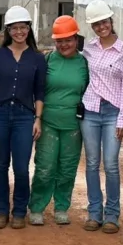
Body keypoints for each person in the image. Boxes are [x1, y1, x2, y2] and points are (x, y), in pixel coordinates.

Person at [0, 5, 46, 230]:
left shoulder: (38, 58)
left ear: (29, 28)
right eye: (14, 28)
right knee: (0, 165)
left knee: (21, 167)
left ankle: (19, 211)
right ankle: (1, 211)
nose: (19, 32)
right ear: (8, 30)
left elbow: (40, 91)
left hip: (24, 117)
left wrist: (38, 118)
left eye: (23, 27)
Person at [28, 15, 89, 226]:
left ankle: (62, 206)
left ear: (76, 39)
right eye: (60, 41)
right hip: (48, 122)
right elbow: (37, 91)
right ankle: (36, 207)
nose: (64, 44)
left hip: (73, 123)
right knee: (45, 167)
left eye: (68, 40)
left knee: (67, 168)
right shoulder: (47, 60)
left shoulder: (84, 63)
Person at [80, 0, 123, 233]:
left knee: (110, 164)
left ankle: (112, 214)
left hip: (112, 112)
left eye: (104, 22)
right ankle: (94, 212)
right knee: (91, 163)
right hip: (90, 111)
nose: (101, 27)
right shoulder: (89, 48)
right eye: (96, 24)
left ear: (111, 21)